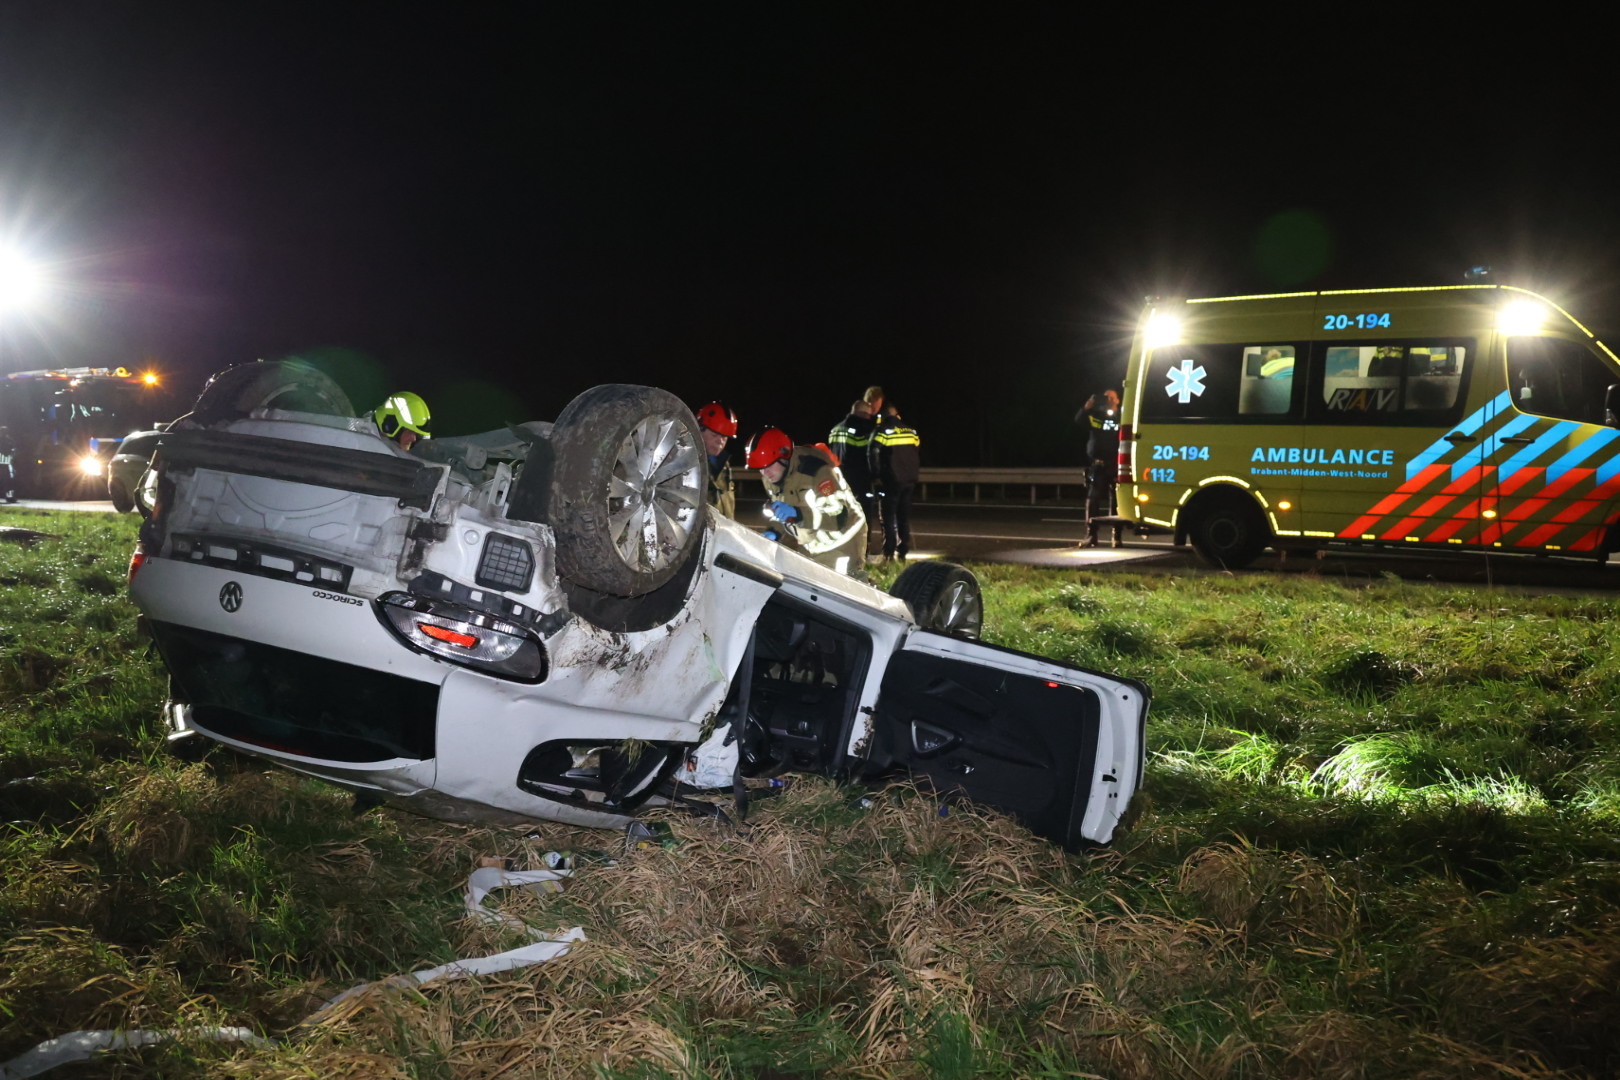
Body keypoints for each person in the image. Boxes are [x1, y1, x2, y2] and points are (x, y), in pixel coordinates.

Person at [744, 426, 866, 575]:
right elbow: (782, 512)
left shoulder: (818, 471)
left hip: (844, 541)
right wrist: (774, 531)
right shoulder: (771, 477)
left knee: (845, 591)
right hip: (812, 543)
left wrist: (798, 514)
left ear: (784, 457)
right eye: (760, 468)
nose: (764, 472)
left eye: (768, 465)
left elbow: (838, 519)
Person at [827, 385, 884, 559]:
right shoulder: (863, 429)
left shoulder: (836, 428)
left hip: (838, 479)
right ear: (863, 414)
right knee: (863, 518)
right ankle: (861, 552)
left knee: (840, 516)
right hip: (860, 480)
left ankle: (841, 550)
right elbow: (866, 455)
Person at [873, 401, 920, 561]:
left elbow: (874, 452)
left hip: (891, 481)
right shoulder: (911, 431)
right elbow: (916, 450)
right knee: (903, 516)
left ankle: (889, 552)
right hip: (909, 480)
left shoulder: (883, 432)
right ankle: (903, 550)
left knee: (888, 517)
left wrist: (876, 475)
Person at [1075, 388, 1121, 547]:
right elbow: (1079, 420)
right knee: (1093, 500)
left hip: (1116, 465)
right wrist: (1088, 406)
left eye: (1112, 397)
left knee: (1116, 502)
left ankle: (1117, 536)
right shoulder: (1096, 416)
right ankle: (1091, 535)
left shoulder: (1122, 417)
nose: (1108, 399)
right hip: (1098, 465)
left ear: (1118, 400)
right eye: (1106, 397)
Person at [694, 401, 739, 518]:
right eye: (714, 435)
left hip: (724, 534)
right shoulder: (688, 465)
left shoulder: (724, 466)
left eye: (724, 437)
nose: (720, 441)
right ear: (699, 431)